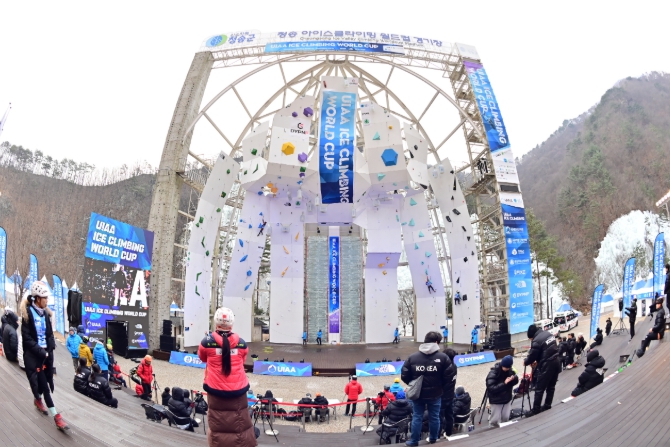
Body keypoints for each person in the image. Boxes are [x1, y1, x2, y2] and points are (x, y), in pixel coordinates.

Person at [197, 307, 256, 447]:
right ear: (232, 324)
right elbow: (241, 361)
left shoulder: (206, 342)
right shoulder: (242, 343)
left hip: (215, 389)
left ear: (215, 322)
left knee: (218, 425)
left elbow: (203, 358)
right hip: (239, 389)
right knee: (240, 424)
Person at [21, 281, 69, 430]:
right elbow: (27, 338)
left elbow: (49, 334)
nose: (47, 301)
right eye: (45, 298)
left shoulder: (46, 314)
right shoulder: (27, 314)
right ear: (37, 298)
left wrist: (51, 345)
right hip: (34, 356)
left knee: (45, 381)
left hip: (46, 355)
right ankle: (57, 417)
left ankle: (37, 399)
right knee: (43, 385)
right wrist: (41, 351)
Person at [401, 331, 450, 446]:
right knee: (434, 417)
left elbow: (404, 375)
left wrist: (414, 384)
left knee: (417, 417)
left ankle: (414, 441)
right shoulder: (443, 357)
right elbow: (448, 377)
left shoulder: (412, 357)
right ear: (437, 342)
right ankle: (433, 439)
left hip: (418, 394)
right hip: (436, 394)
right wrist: (440, 387)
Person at [524, 324, 559, 416]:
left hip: (547, 365)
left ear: (532, 336)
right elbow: (546, 350)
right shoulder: (548, 334)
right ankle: (547, 405)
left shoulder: (536, 340)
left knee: (539, 388)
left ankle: (536, 410)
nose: (531, 340)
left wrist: (526, 362)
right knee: (551, 386)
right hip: (556, 361)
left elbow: (532, 356)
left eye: (530, 339)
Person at [485, 355, 519, 427]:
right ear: (502, 365)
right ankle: (492, 432)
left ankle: (505, 431)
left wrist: (514, 378)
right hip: (496, 400)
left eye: (508, 367)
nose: (507, 369)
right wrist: (504, 383)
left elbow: (514, 382)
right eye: (506, 367)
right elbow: (491, 388)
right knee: (494, 420)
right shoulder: (493, 373)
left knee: (506, 418)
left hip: (507, 398)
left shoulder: (510, 371)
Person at [441, 348, 457, 438]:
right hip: (451, 394)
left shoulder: (444, 368)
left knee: (439, 417)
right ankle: (448, 433)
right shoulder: (454, 366)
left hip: (443, 396)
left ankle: (437, 436)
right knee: (449, 416)